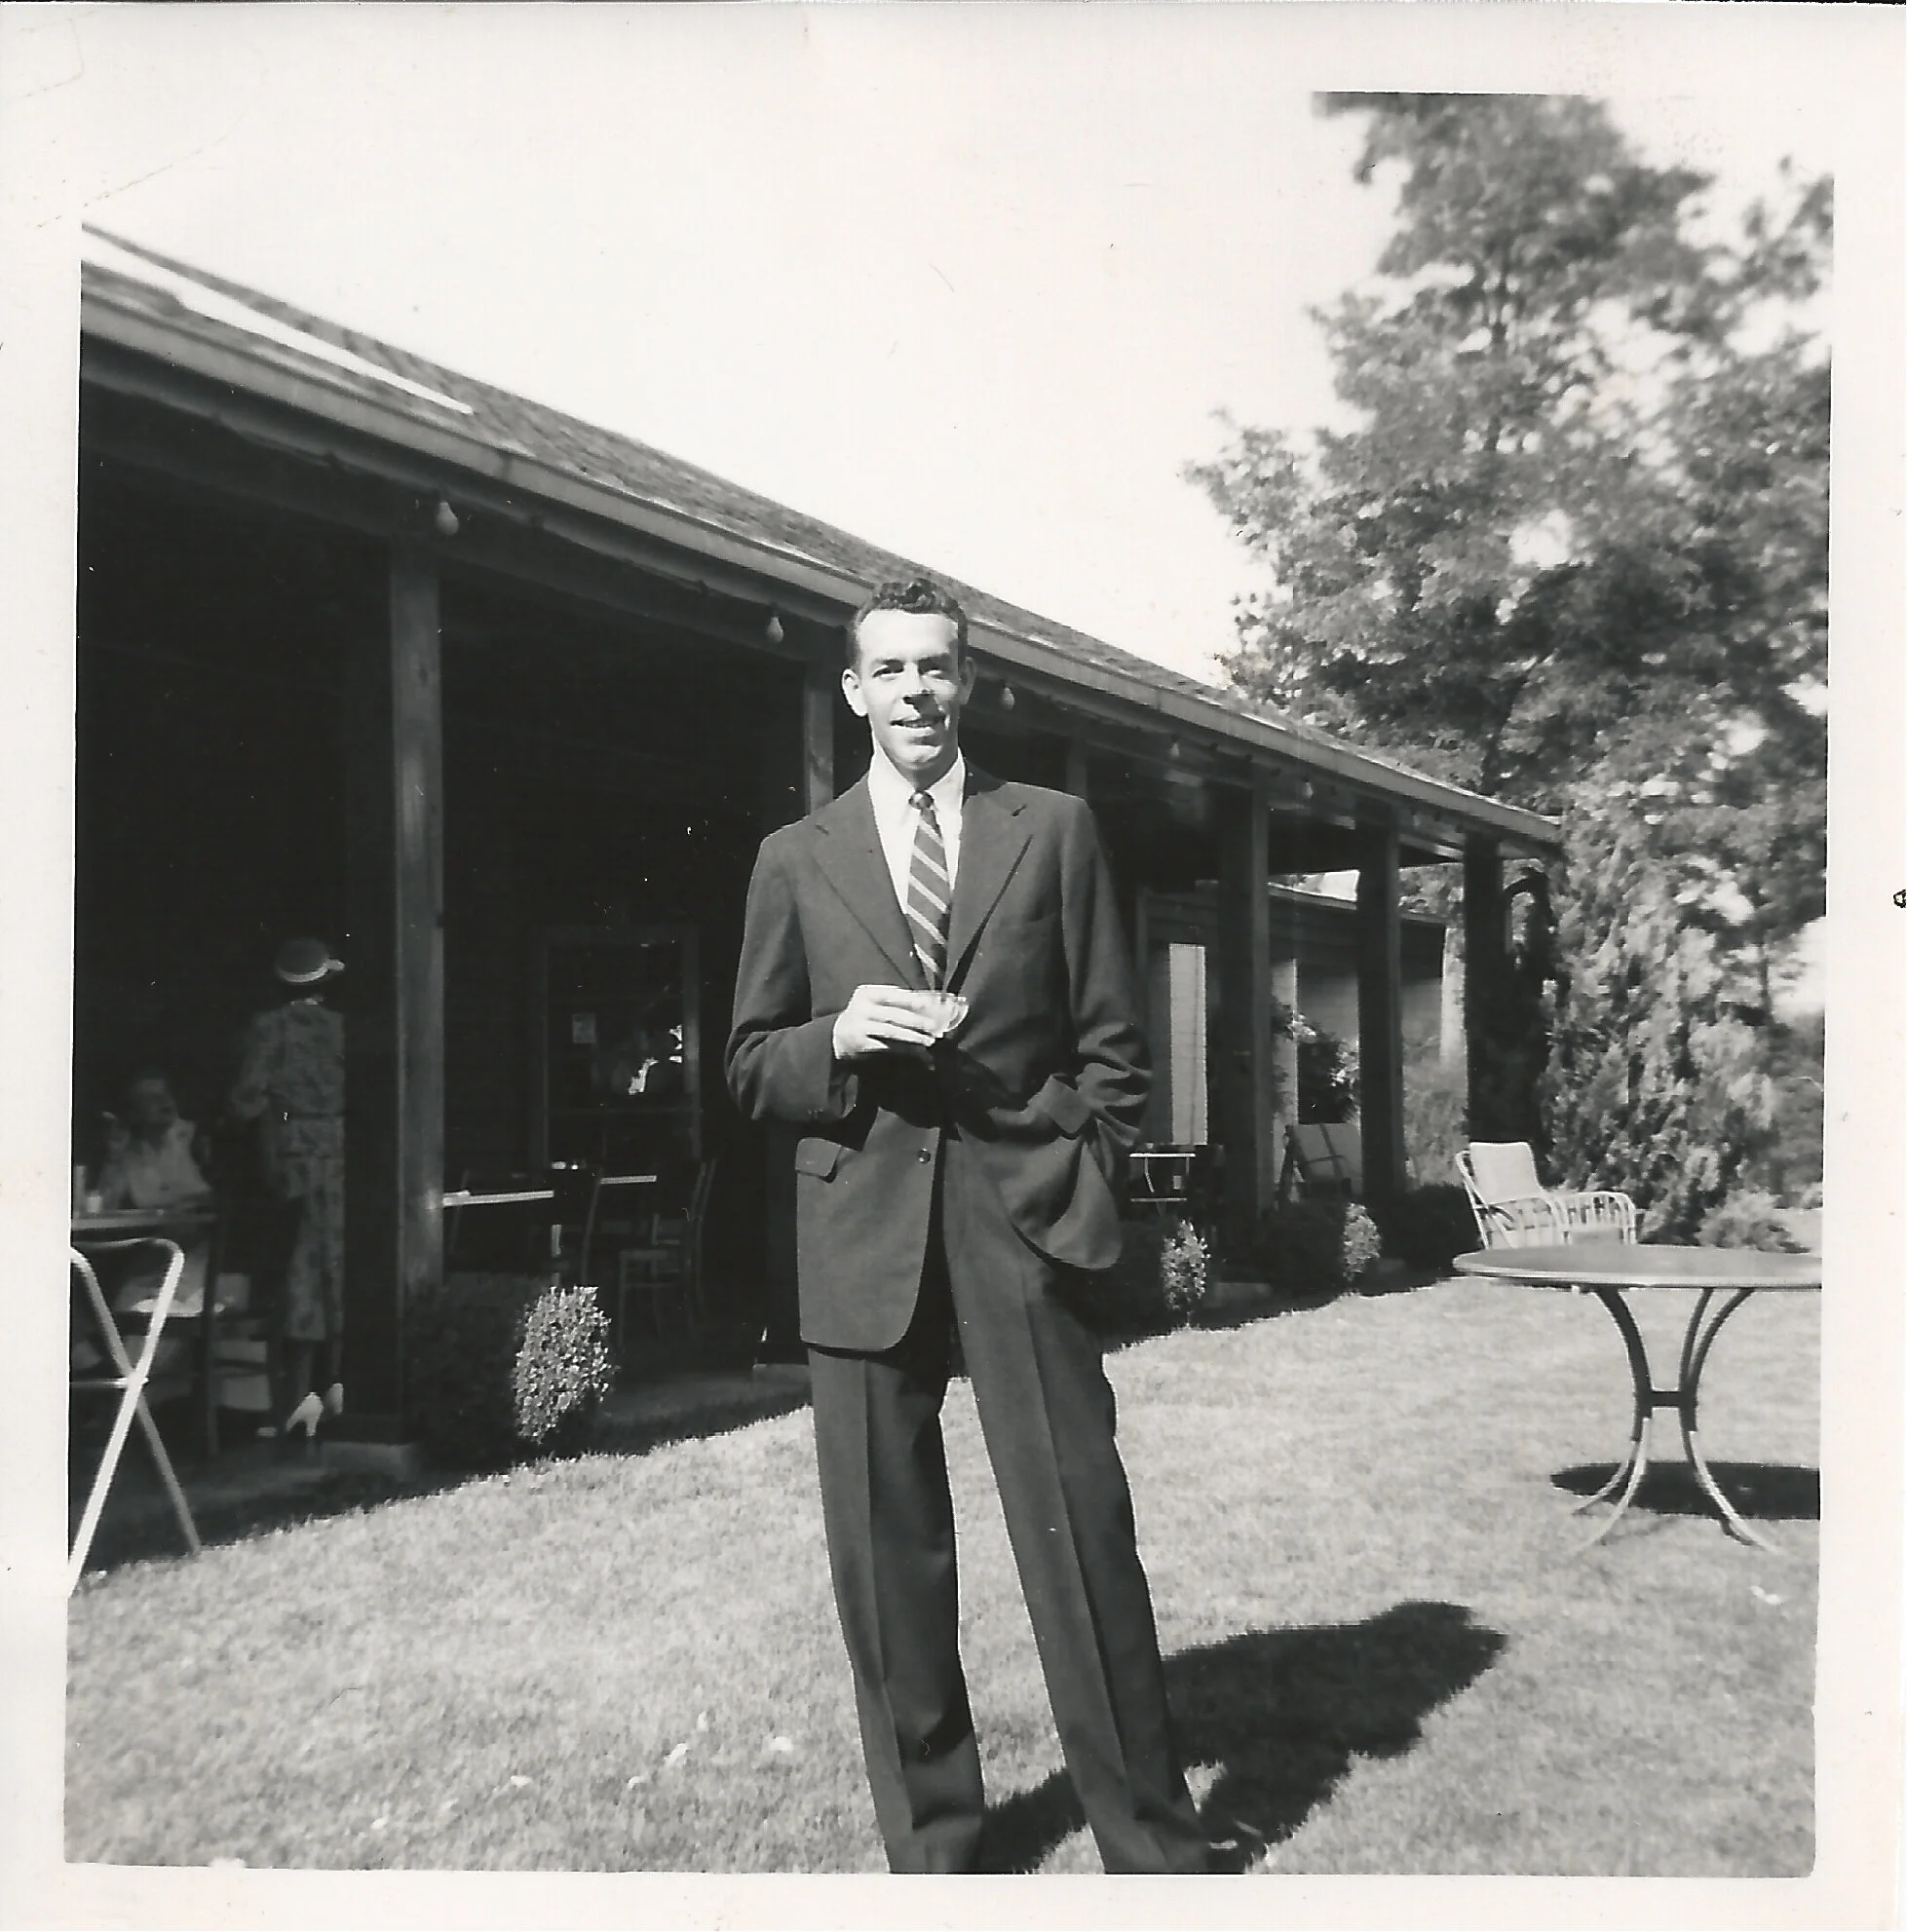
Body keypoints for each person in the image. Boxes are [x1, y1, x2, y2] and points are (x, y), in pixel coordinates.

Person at [726, 578, 1211, 1875]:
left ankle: (1152, 1844)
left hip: (1022, 1223)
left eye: (936, 668)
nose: (916, 695)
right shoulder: (797, 856)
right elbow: (747, 1062)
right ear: (853, 691)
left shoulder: (1050, 830)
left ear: (968, 679)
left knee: (1080, 1532)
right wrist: (836, 1034)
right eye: (889, 673)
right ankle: (939, 1856)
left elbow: (1116, 1041)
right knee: (887, 1564)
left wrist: (1075, 1172)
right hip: (859, 1233)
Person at [229, 936, 346, 1442]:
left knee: (297, 1263)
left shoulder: (268, 1028)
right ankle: (337, 1382)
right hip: (342, 1150)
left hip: (293, 1152)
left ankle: (297, 1394)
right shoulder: (345, 1029)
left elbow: (248, 1099)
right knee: (337, 1265)